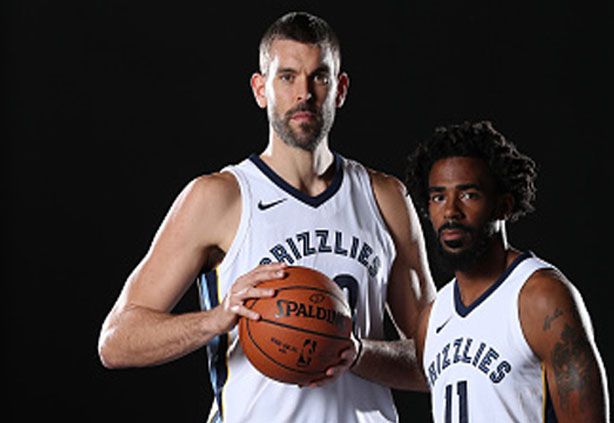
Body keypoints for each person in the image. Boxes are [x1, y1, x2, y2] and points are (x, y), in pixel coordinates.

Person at [98, 11, 435, 423]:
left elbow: (433, 357)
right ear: (261, 89)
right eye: (287, 77)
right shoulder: (219, 197)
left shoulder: (384, 197)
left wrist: (358, 352)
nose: (304, 94)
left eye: (320, 77)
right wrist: (217, 320)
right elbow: (116, 341)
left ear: (340, 89)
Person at [406, 121, 609, 422]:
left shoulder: (540, 297)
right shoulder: (432, 319)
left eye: (468, 195)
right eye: (438, 197)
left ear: (503, 206)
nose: (450, 211)